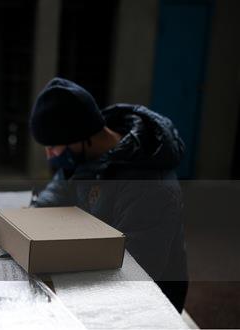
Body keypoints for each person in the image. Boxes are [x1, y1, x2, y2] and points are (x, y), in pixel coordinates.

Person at [29, 77, 188, 312]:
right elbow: (54, 196)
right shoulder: (84, 156)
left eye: (54, 146)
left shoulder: (149, 185)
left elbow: (135, 269)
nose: (50, 155)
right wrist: (27, 227)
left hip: (151, 299)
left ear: (82, 137)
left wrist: (60, 275)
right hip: (99, 267)